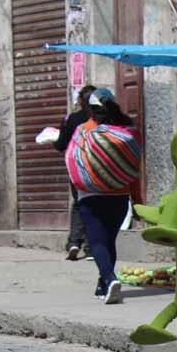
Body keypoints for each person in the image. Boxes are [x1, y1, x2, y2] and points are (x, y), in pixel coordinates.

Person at [69, 88, 143, 305]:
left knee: (97, 242)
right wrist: (137, 201)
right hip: (119, 197)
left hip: (91, 197)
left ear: (91, 110)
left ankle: (110, 279)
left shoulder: (83, 131)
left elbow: (73, 160)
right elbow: (134, 170)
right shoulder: (126, 132)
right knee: (108, 240)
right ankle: (103, 285)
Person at [52, 84, 97, 261]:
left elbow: (61, 144)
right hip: (99, 167)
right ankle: (91, 247)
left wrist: (57, 134)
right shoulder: (102, 118)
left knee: (79, 203)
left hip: (77, 168)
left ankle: (73, 242)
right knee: (95, 205)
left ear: (80, 100)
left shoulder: (73, 119)